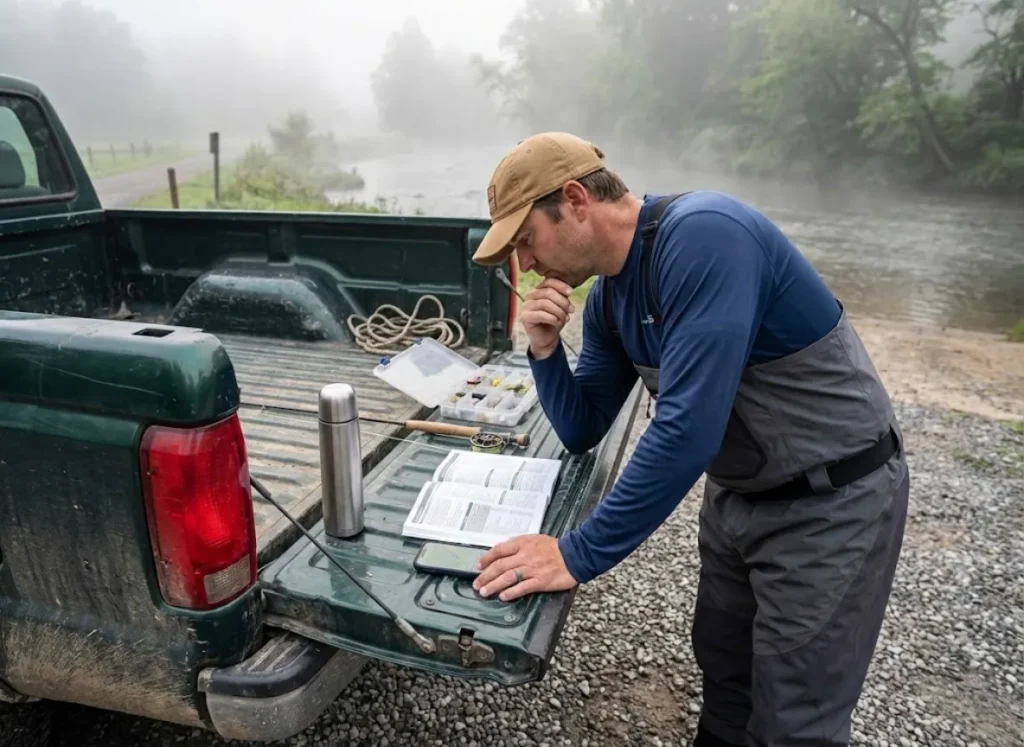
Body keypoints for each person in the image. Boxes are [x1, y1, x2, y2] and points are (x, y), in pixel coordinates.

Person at [468, 132, 910, 747]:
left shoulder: (706, 236)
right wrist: (544, 352)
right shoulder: (608, 299)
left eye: (525, 241)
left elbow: (686, 430)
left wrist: (577, 553)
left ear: (574, 200)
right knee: (725, 673)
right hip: (738, 498)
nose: (528, 264)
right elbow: (582, 426)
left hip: (832, 502)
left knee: (795, 715)